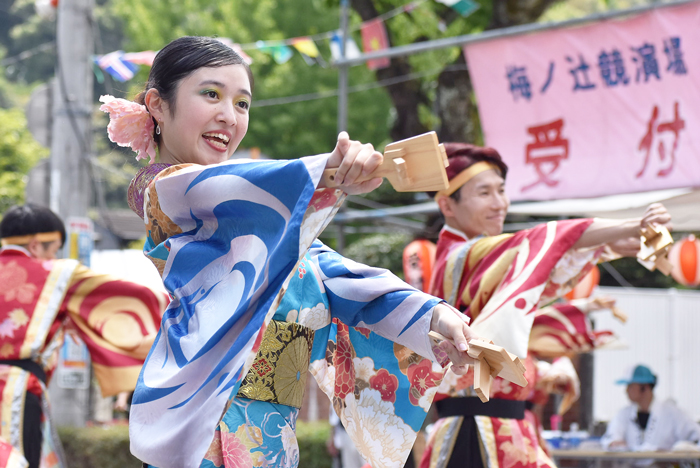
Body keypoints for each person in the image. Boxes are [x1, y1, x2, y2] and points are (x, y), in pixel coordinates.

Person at [101, 36, 479, 468]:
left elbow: (342, 278)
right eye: (210, 94)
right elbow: (225, 190)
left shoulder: (272, 229)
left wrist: (438, 317)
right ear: (157, 105)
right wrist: (332, 171)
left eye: (242, 103)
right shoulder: (168, 193)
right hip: (202, 427)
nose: (229, 115)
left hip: (271, 437)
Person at [418, 143, 671, 468]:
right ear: (447, 206)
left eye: (501, 191)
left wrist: (607, 245)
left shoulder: (475, 259)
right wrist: (629, 225)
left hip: (501, 428)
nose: (500, 204)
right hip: (476, 433)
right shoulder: (458, 258)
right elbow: (537, 243)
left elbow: (536, 282)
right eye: (484, 193)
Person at [0, 204, 168, 468]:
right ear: (35, 246)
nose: (54, 257)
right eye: (53, 250)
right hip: (15, 393)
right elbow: (124, 296)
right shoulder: (55, 274)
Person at [601, 365, 700, 452]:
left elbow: (696, 437)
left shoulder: (673, 413)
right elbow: (610, 438)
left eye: (630, 386)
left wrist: (678, 450)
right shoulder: (623, 414)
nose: (626, 390)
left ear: (645, 387)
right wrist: (613, 443)